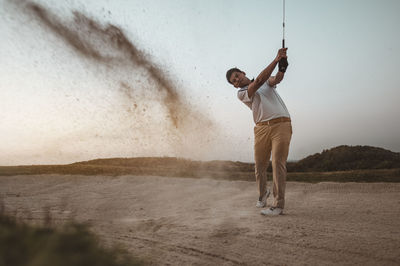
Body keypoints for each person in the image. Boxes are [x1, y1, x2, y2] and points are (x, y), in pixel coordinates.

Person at [226, 48, 292, 216]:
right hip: (261, 128)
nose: (236, 80)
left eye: (237, 76)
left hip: (281, 124)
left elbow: (275, 79)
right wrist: (276, 59)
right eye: (234, 81)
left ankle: (278, 205)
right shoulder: (241, 93)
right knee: (260, 165)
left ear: (242, 72)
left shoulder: (265, 82)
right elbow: (259, 81)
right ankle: (263, 194)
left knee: (278, 163)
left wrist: (282, 68)